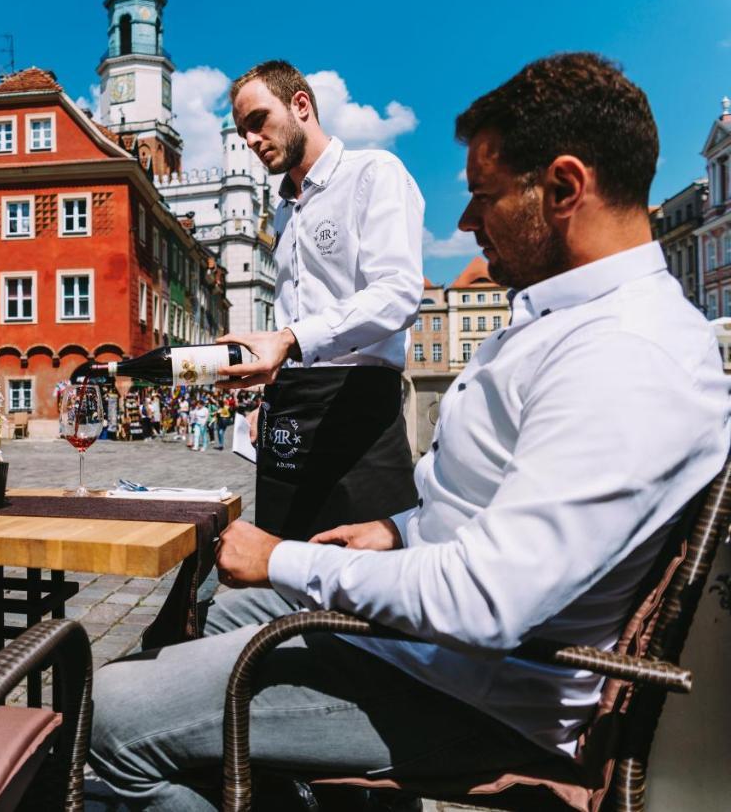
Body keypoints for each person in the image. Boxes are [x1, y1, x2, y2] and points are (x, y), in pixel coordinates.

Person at [90, 53, 731, 811]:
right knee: (216, 606)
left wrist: (286, 558)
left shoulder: (627, 355)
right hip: (433, 645)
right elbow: (488, 516)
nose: (462, 224)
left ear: (563, 187)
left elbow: (485, 598)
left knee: (103, 717)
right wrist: (396, 530)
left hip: (467, 687)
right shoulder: (566, 316)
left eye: (483, 198)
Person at [215, 60, 425, 541]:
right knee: (280, 564)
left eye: (258, 122)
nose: (249, 140)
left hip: (358, 410)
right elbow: (298, 310)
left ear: (301, 105)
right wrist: (271, 390)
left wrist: (287, 342)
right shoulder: (283, 209)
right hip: (292, 409)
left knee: (363, 582)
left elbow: (398, 294)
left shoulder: (373, 173)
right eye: (241, 131)